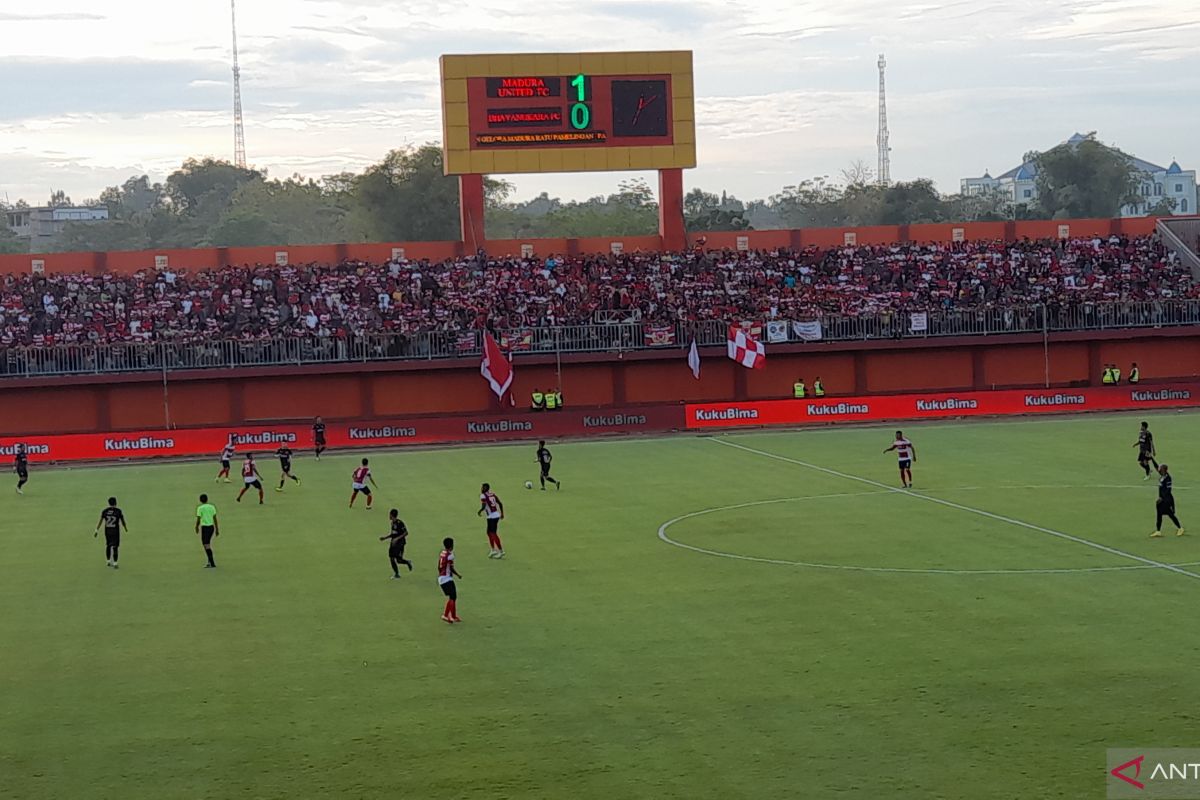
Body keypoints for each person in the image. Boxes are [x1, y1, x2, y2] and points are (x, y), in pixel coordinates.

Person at [1150, 464, 1184, 538]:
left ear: (1164, 470)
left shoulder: (1168, 478)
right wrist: (1151, 458)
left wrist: (1162, 498)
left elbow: (1168, 490)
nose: (1159, 469)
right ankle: (1158, 531)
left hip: (1167, 499)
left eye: (1161, 469)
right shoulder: (1162, 476)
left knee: (1170, 514)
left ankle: (1180, 528)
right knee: (1159, 515)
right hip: (1161, 499)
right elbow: (1156, 466)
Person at [379, 508, 413, 579]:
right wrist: (385, 538)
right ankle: (397, 574)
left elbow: (406, 533)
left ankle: (407, 562)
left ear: (392, 515)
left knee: (399, 560)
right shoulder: (392, 523)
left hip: (400, 544)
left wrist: (397, 539)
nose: (389, 516)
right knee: (391, 558)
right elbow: (393, 534)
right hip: (393, 544)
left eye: (390, 514)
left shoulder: (400, 523)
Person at [95, 496, 128, 569]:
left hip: (108, 531)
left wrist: (96, 530)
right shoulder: (118, 511)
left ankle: (108, 561)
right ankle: (115, 563)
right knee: (115, 547)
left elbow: (100, 521)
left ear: (108, 503)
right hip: (115, 532)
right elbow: (123, 521)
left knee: (108, 545)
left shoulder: (105, 511)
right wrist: (125, 528)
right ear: (116, 503)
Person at [437, 537, 463, 624]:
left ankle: (449, 615)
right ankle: (449, 615)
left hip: (441, 578)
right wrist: (458, 575)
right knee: (453, 597)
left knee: (452, 597)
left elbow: (439, 566)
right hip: (447, 578)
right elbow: (451, 568)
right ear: (452, 546)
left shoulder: (442, 553)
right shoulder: (450, 556)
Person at [478, 482, 505, 558]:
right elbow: (500, 503)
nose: (481, 489)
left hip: (492, 516)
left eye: (483, 487)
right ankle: (493, 550)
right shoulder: (492, 494)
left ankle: (501, 551)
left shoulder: (483, 496)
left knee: (493, 533)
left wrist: (480, 511)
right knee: (489, 533)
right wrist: (502, 513)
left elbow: (483, 506)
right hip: (494, 515)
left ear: (485, 488)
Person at [195, 493, 220, 568]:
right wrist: (217, 529)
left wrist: (196, 526)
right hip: (211, 527)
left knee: (206, 544)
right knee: (206, 544)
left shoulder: (200, 508)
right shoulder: (212, 507)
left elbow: (199, 519)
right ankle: (209, 561)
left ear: (200, 500)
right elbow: (215, 518)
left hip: (205, 528)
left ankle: (212, 563)